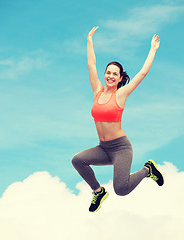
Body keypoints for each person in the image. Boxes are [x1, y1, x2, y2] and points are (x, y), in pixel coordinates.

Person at [72, 26, 164, 213]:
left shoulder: (121, 95)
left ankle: (148, 170)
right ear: (104, 74)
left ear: (120, 78)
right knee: (77, 160)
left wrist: (152, 50)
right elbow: (91, 64)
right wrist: (89, 40)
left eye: (115, 74)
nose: (110, 76)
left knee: (121, 189)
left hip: (120, 148)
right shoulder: (97, 91)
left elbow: (142, 74)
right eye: (108, 72)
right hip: (103, 148)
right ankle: (98, 192)